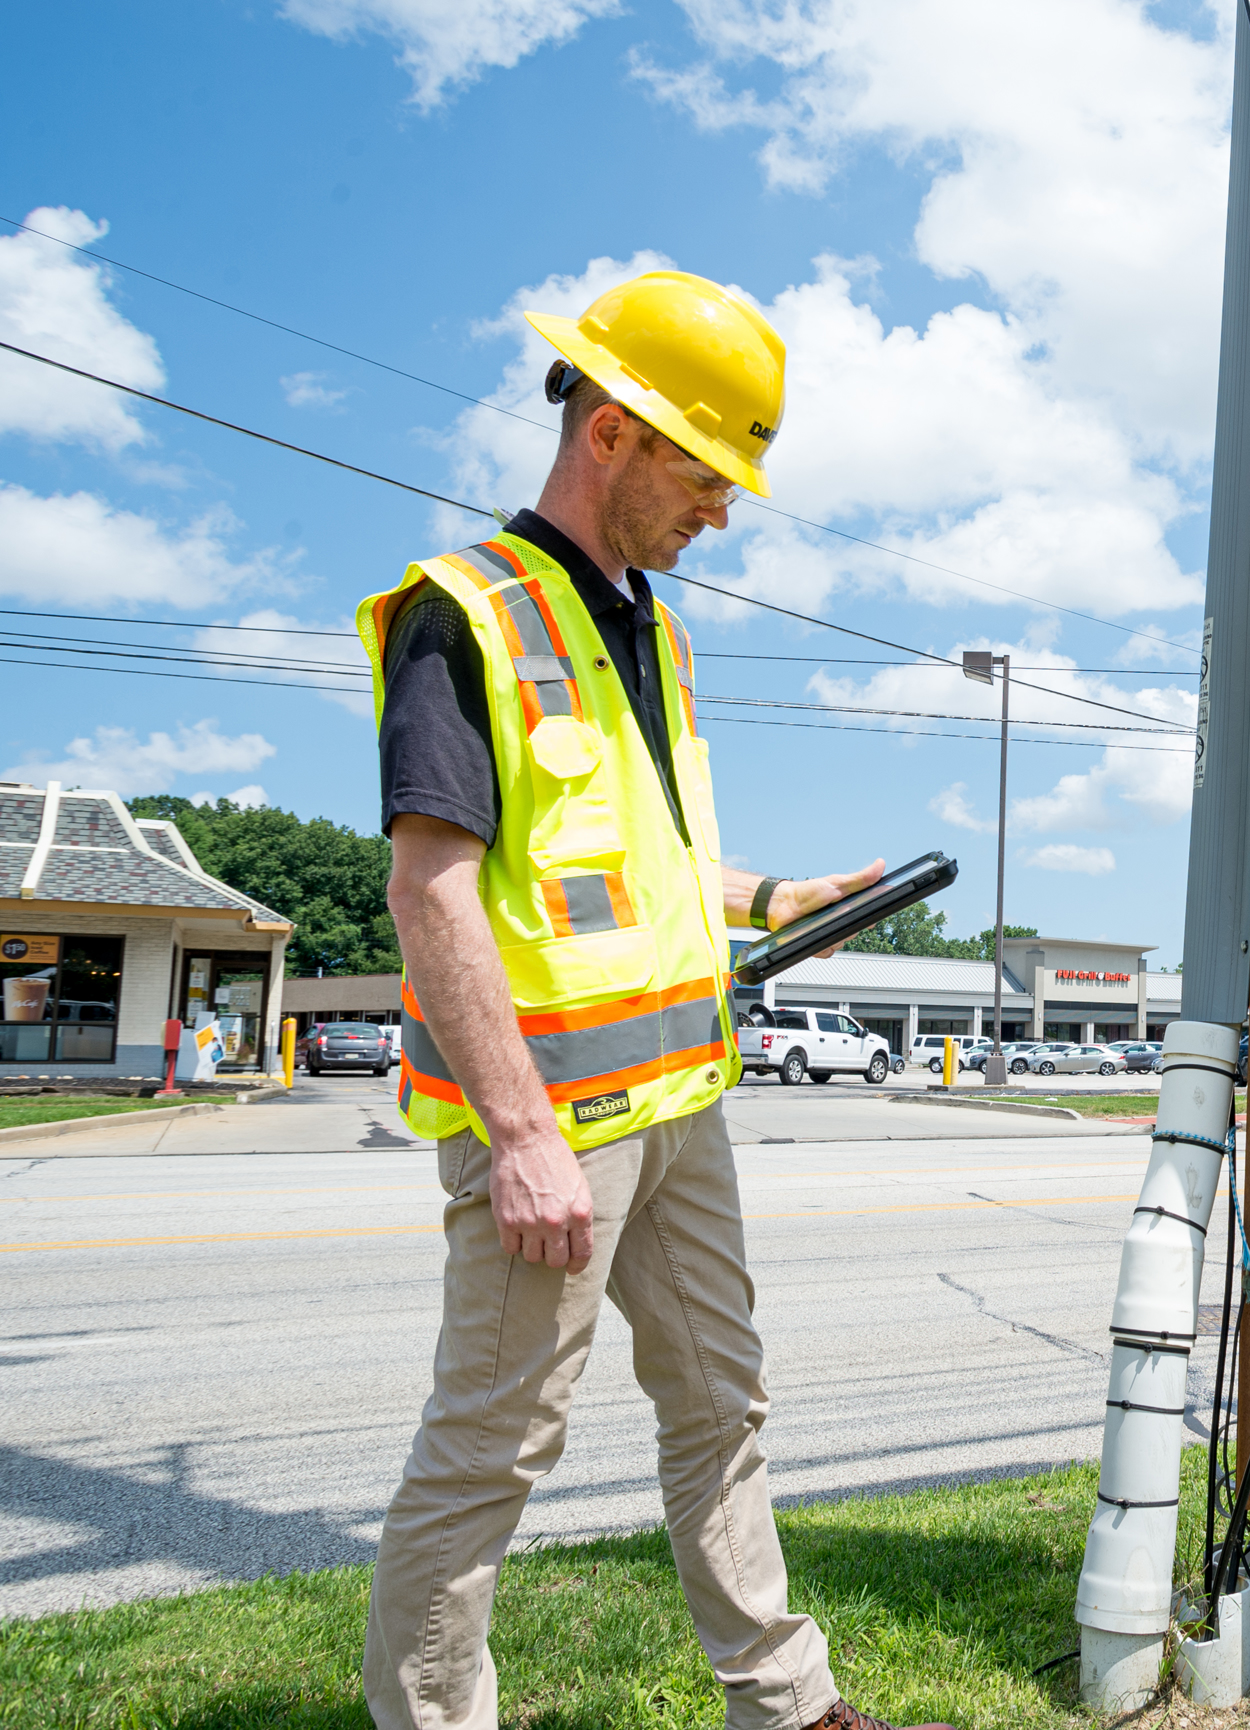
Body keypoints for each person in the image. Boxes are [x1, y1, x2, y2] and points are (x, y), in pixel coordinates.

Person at [359, 269, 942, 1730]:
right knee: (496, 1443)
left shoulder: (651, 628)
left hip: (684, 1106)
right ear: (612, 431)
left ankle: (787, 1704)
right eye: (708, 471)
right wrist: (519, 1134)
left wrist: (765, 899)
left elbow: (638, 855)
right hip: (553, 1125)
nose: (725, 512)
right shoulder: (463, 616)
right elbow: (432, 891)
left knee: (723, 1407)